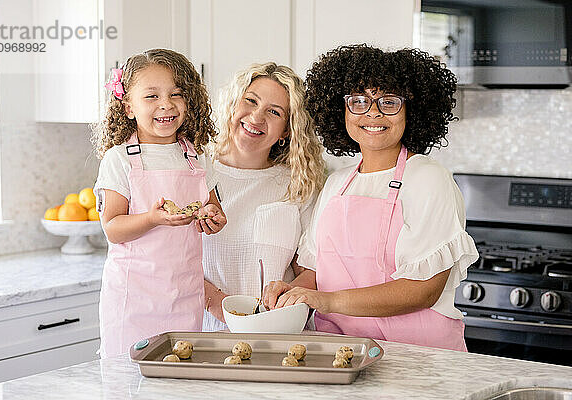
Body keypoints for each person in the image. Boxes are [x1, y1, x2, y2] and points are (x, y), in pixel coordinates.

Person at [263, 45, 479, 351]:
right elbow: (315, 272)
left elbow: (424, 290)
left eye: (388, 102)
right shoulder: (336, 183)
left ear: (411, 110)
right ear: (342, 110)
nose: (373, 112)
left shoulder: (430, 180)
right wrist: (290, 293)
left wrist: (327, 301)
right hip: (342, 354)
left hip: (419, 360)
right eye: (359, 101)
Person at [92, 49, 227, 357]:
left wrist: (212, 218)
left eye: (176, 94)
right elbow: (113, 228)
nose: (166, 104)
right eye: (151, 96)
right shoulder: (119, 160)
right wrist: (151, 218)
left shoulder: (196, 156)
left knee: (178, 377)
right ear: (128, 106)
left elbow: (214, 210)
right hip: (133, 302)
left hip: (184, 297)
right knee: (129, 381)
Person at [201, 62, 325, 332]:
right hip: (206, 333)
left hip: (280, 334)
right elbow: (170, 262)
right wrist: (220, 305)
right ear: (233, 104)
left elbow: (312, 272)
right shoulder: (196, 172)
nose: (257, 117)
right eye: (250, 101)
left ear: (286, 131)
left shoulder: (299, 186)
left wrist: (283, 299)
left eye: (274, 112)